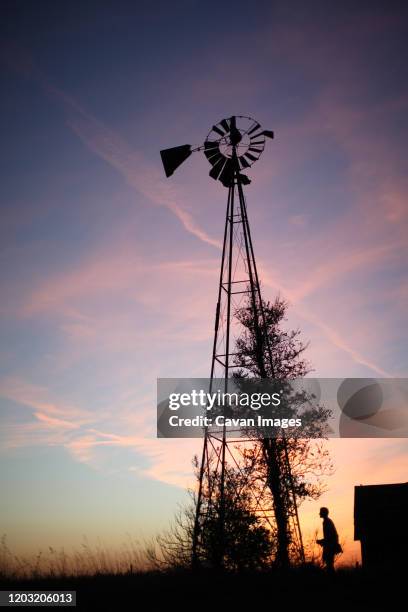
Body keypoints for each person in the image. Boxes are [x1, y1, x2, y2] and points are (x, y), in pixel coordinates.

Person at [317, 507, 342, 573]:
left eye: (321, 512)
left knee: (329, 565)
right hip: (331, 545)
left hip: (330, 546)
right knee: (329, 565)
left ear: (324, 513)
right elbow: (330, 536)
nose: (319, 514)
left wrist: (322, 541)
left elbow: (329, 536)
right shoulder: (327, 521)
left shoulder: (326, 522)